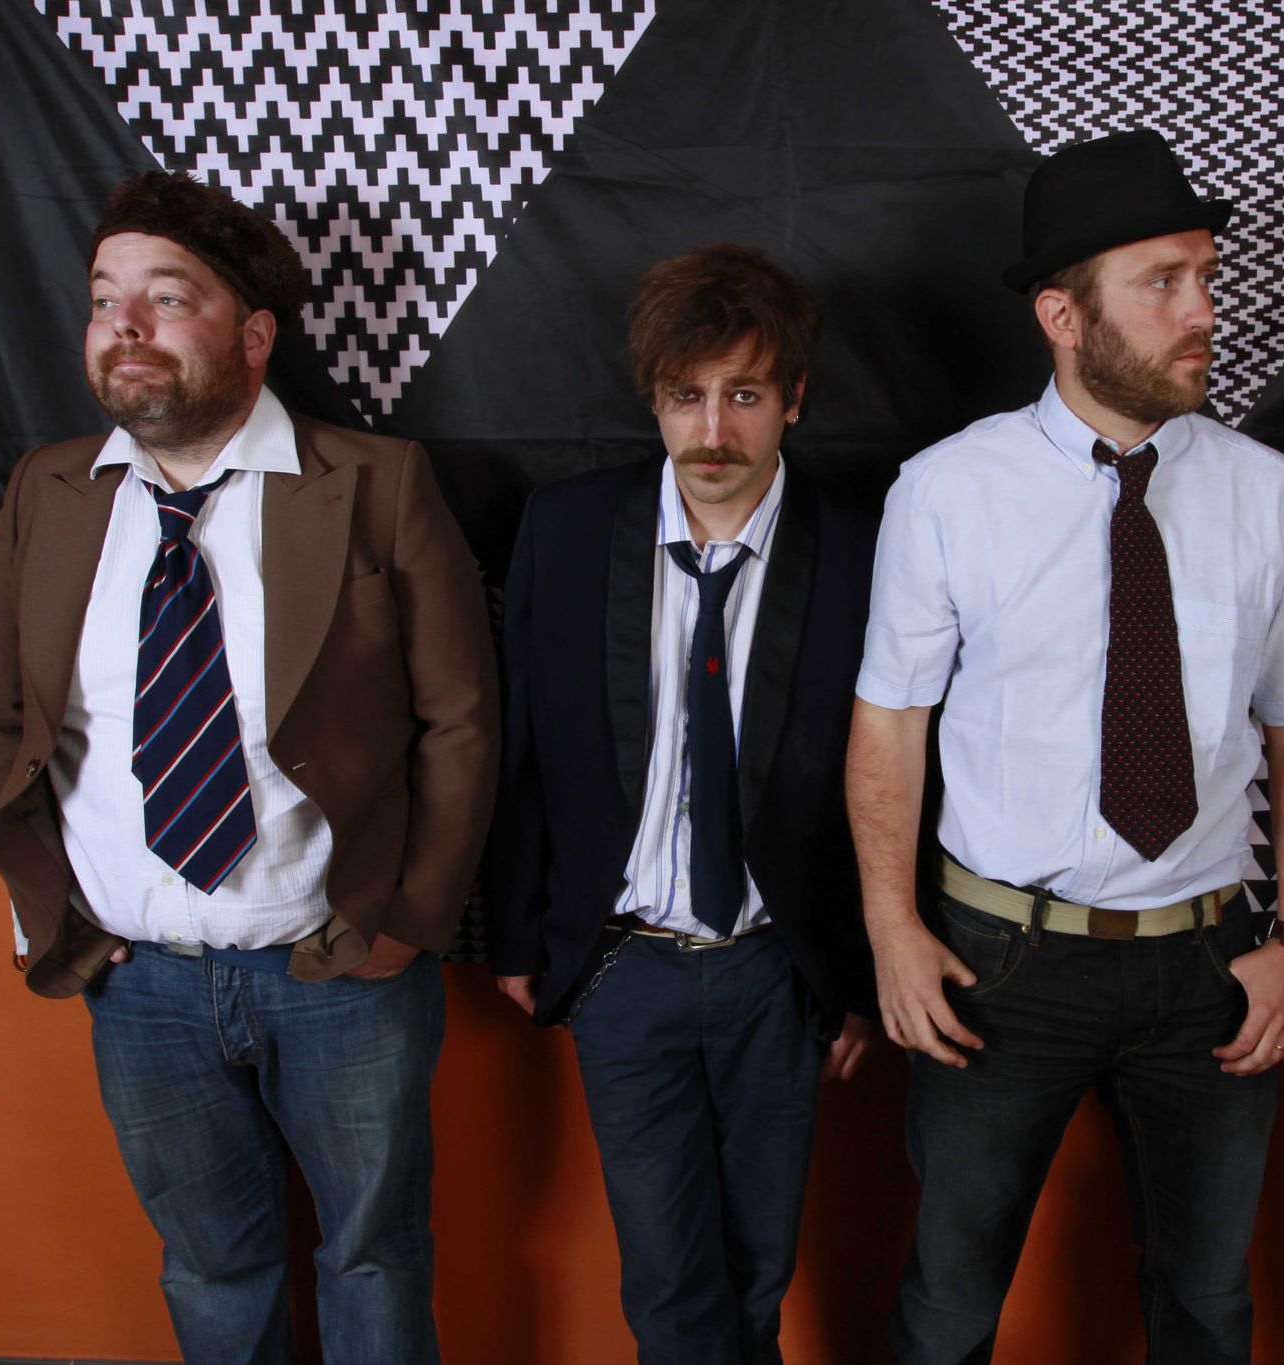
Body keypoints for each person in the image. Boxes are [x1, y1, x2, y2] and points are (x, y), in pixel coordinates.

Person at [0, 170, 498, 1365]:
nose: (126, 327)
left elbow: (459, 718)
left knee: (372, 1256)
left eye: (167, 298)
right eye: (104, 299)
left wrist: (408, 919)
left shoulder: (373, 481)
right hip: (136, 979)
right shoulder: (48, 490)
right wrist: (49, 907)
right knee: (209, 1266)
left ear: (254, 336)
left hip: (339, 967)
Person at [848, 130, 1284, 1364]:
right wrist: (890, 928)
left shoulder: (1268, 494)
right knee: (948, 1304)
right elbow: (889, 722)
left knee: (1206, 1303)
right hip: (997, 964)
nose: (1203, 312)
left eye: (1205, 276)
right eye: (1161, 282)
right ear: (1061, 315)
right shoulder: (946, 491)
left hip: (1209, 964)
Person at [487, 243, 878, 1364]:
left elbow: (904, 777)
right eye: (684, 394)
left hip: (779, 968)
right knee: (667, 1280)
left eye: (743, 395)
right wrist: (518, 934)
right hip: (623, 961)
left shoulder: (865, 547)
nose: (711, 431)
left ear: (793, 398)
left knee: (757, 1272)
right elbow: (521, 743)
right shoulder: (567, 529)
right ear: (652, 397)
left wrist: (858, 977)